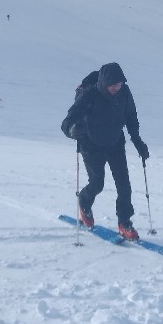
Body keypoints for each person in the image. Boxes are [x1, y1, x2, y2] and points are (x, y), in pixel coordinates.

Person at [61, 62, 149, 241]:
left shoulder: (124, 93)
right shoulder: (89, 95)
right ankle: (84, 202)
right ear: (104, 83)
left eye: (120, 84)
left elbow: (131, 117)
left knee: (124, 185)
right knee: (97, 183)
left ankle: (124, 222)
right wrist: (72, 131)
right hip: (91, 145)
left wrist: (137, 141)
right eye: (113, 85)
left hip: (115, 143)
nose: (117, 88)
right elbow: (68, 121)